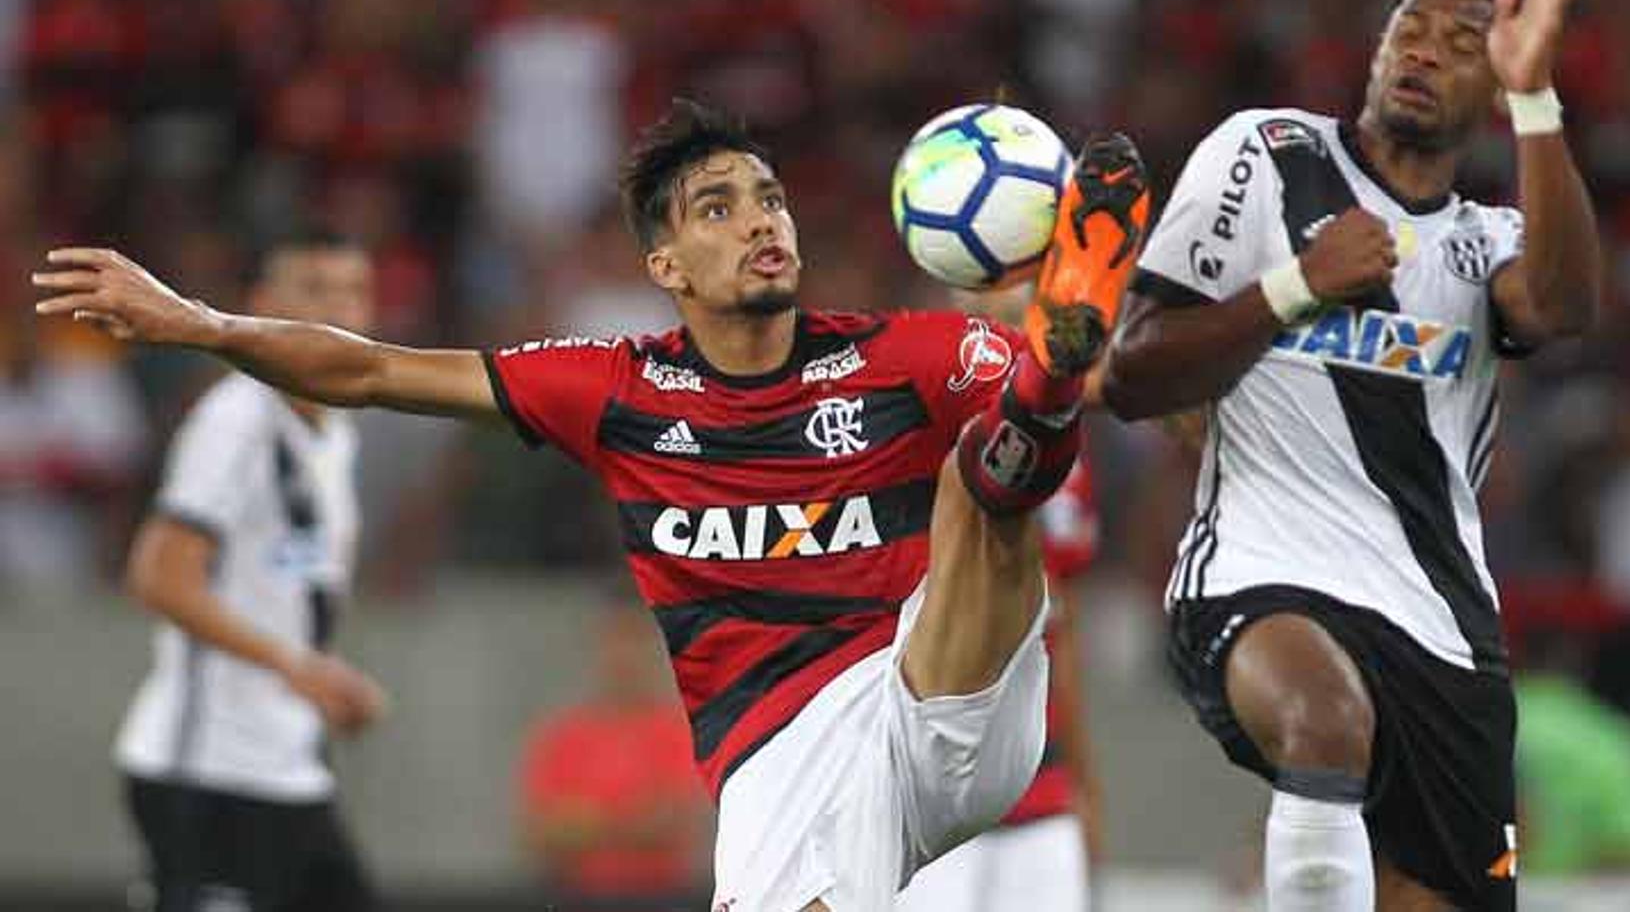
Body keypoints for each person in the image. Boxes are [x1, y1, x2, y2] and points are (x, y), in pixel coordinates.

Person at [35, 98, 1154, 912]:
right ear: (665, 263)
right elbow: (372, 369)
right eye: (719, 207)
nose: (762, 221)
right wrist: (203, 322)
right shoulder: (614, 385)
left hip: (941, 690)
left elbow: (1117, 391)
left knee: (988, 460)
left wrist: (1072, 366)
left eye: (769, 198)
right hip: (776, 751)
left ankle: (1045, 371)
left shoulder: (901, 352)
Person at [1104, 0, 1602, 910]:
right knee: (1324, 722)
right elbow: (1134, 374)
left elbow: (1564, 305)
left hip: (1441, 629)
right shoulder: (1265, 153)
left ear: (1496, 90)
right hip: (1259, 573)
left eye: (1464, 44)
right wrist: (1294, 287)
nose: (1423, 50)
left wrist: (1539, 96)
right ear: (1375, 47)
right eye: (1408, 29)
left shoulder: (1485, 239)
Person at [109, 227, 388, 912]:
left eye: (353, 291)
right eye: (315, 290)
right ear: (263, 303)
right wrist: (294, 665)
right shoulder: (237, 423)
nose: (339, 311)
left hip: (286, 763)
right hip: (208, 771)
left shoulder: (333, 429)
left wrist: (314, 676)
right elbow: (158, 574)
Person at [898, 284, 1104, 912]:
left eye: (1020, 321)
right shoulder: (911, 438)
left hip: (1040, 790)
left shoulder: (1067, 466)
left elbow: (1059, 634)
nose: (1007, 339)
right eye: (988, 320)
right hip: (935, 786)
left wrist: (1084, 783)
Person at [520, 599, 713, 909]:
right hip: (579, 897)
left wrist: (588, 822)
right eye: (615, 645)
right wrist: (630, 820)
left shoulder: (677, 732)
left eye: (633, 644)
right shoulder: (564, 736)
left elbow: (672, 821)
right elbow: (541, 831)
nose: (624, 658)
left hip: (660, 898)